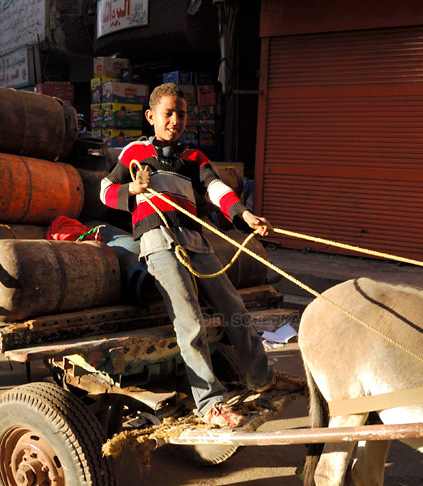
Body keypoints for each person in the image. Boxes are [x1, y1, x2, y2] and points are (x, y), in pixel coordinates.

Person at [99, 83, 291, 428]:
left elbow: (216, 189)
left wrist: (245, 216)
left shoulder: (193, 157)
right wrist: (133, 188)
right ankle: (209, 403)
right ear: (151, 117)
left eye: (182, 114)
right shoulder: (134, 154)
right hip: (157, 241)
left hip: (195, 241)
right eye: (168, 113)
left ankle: (262, 379)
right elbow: (105, 191)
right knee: (188, 320)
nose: (175, 120)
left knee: (235, 309)